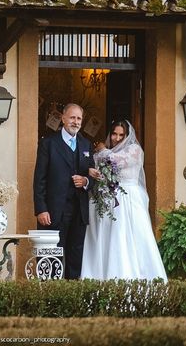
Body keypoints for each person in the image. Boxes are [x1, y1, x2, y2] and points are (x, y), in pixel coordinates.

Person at [81, 120, 167, 281]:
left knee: (127, 238)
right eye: (114, 134)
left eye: (121, 135)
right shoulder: (108, 150)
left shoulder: (134, 149)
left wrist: (103, 151)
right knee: (107, 239)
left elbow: (116, 161)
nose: (117, 138)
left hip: (128, 199)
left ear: (127, 136)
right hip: (108, 199)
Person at [33, 103, 95, 279]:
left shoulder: (86, 145)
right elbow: (39, 179)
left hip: (78, 212)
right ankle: (48, 298)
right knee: (49, 258)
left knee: (75, 258)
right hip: (53, 211)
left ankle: (71, 299)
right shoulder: (48, 144)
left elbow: (93, 177)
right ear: (63, 118)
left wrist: (86, 181)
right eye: (72, 117)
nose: (75, 122)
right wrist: (41, 209)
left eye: (79, 118)